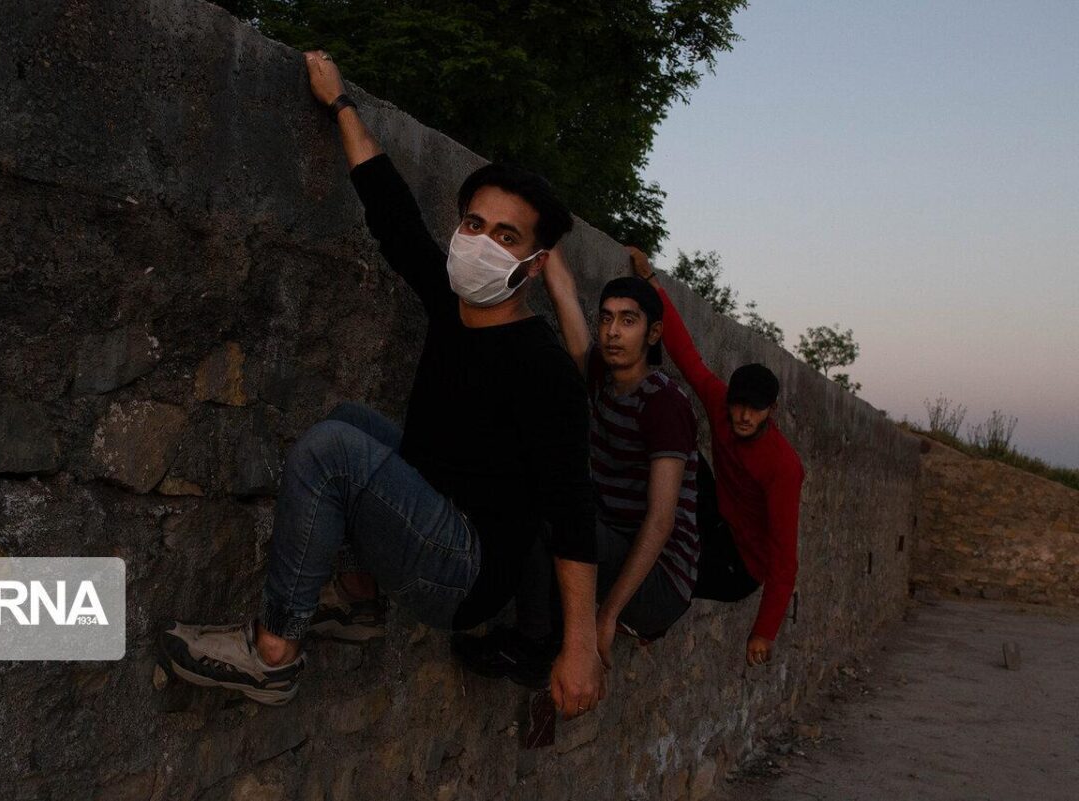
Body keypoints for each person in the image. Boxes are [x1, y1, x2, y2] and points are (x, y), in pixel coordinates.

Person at [158, 50, 606, 719]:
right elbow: (393, 215)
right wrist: (340, 104)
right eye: (474, 224)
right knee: (349, 418)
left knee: (331, 450)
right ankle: (361, 595)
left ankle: (273, 654)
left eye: (505, 237)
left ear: (534, 266)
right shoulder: (456, 303)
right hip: (441, 507)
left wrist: (579, 649)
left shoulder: (543, 366)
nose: (480, 243)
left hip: (469, 570)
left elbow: (572, 514)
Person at [452, 249, 700, 687]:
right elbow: (565, 294)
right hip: (610, 543)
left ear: (654, 332)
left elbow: (661, 521)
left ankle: (534, 647)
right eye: (606, 319)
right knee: (540, 486)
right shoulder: (602, 378)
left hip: (661, 581)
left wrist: (604, 619)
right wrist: (542, 241)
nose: (612, 332)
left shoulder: (664, 404)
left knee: (547, 510)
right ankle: (542, 630)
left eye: (628, 320)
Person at [627, 246, 805, 667]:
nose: (743, 416)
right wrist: (652, 284)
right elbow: (687, 357)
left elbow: (783, 559)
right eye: (738, 405)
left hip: (740, 563)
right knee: (680, 454)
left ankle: (653, 621)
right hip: (719, 516)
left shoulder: (783, 467)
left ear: (770, 412)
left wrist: (764, 631)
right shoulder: (721, 405)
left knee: (676, 574)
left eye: (755, 410)